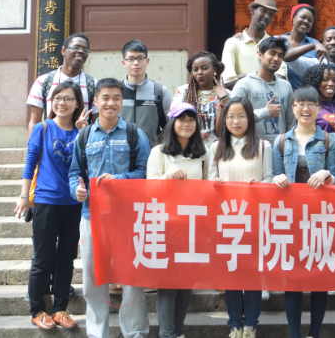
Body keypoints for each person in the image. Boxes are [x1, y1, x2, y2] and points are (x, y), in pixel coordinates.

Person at [69, 78, 151, 338]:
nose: (111, 103)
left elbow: (145, 173)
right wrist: (76, 191)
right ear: (95, 101)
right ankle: (97, 334)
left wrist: (119, 179)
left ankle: (135, 332)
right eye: (105, 97)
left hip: (128, 217)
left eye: (116, 97)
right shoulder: (84, 136)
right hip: (91, 216)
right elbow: (74, 173)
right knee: (92, 280)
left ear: (122, 101)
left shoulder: (135, 134)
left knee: (131, 278)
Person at [271, 86, 335, 338]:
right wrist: (276, 179)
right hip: (290, 219)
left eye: (312, 104)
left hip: (320, 218)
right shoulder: (281, 141)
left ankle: (314, 333)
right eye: (300, 104)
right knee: (293, 280)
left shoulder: (329, 140)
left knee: (319, 279)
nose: (306, 109)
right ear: (293, 108)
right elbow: (275, 176)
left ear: (320, 108)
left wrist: (327, 174)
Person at [15, 80, 83, 330]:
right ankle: (37, 310)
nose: (61, 103)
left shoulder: (83, 132)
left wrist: (83, 133)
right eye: (57, 98)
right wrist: (24, 196)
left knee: (66, 258)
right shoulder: (42, 128)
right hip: (46, 201)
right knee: (43, 259)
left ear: (77, 104)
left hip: (74, 203)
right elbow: (30, 162)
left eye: (68, 98)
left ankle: (60, 309)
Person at [208, 97, 274, 337]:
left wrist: (261, 184)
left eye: (241, 116)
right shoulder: (216, 147)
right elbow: (209, 180)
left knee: (252, 274)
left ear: (250, 118)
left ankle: (251, 325)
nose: (235, 121)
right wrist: (215, 183)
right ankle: (235, 324)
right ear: (224, 120)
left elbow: (269, 177)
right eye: (230, 117)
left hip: (254, 219)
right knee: (232, 273)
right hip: (227, 220)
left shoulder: (263, 146)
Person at [147, 103, 213, 338]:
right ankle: (167, 334)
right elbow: (149, 188)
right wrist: (169, 177)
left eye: (191, 119)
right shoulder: (159, 152)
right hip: (167, 226)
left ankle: (179, 331)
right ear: (172, 123)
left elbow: (210, 186)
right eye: (181, 119)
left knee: (186, 284)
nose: (187, 124)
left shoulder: (205, 153)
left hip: (194, 227)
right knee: (167, 285)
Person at [286, 25, 335, 119]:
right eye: (328, 40)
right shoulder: (316, 65)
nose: (333, 42)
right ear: (323, 44)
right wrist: (313, 45)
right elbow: (287, 57)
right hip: (318, 124)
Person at [26, 32, 95, 133]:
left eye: (85, 50)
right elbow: (34, 122)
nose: (81, 51)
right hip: (50, 140)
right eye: (76, 47)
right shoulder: (43, 81)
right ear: (63, 50)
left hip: (81, 141)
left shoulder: (93, 85)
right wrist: (33, 143)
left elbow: (97, 124)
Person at [232, 36, 295, 144]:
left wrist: (289, 146)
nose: (276, 58)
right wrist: (264, 112)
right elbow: (234, 119)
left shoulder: (286, 86)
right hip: (252, 148)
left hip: (280, 149)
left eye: (280, 55)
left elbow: (291, 123)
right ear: (260, 55)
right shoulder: (244, 84)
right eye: (272, 53)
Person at [222, 0, 288, 86]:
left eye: (271, 14)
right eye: (263, 10)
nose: (267, 16)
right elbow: (228, 82)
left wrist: (243, 77)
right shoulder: (233, 43)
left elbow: (281, 79)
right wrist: (266, 77)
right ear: (252, 11)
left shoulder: (275, 44)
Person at [120, 39, 170, 151]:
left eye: (140, 58)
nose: (136, 63)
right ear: (124, 63)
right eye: (131, 59)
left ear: (147, 61)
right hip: (120, 155)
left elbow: (170, 126)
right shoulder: (116, 92)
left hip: (151, 154)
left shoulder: (160, 91)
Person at [172, 51, 230, 145]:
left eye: (204, 68)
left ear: (214, 69)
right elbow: (173, 123)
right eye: (195, 69)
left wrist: (223, 100)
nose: (199, 72)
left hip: (217, 148)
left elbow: (220, 132)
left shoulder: (227, 94)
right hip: (190, 147)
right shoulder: (183, 91)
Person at [301, 63, 335, 144]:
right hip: (321, 151)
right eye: (325, 79)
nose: (331, 84)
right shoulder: (310, 109)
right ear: (315, 82)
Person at [282, 4, 320, 89]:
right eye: (302, 17)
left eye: (310, 20)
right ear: (294, 18)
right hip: (279, 94)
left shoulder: (316, 44)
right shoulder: (277, 40)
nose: (306, 21)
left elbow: (323, 69)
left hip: (306, 95)